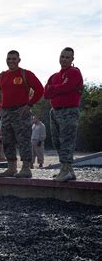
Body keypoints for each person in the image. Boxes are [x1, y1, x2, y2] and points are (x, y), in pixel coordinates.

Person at [0, 50, 44, 178]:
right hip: (6, 113)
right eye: (9, 59)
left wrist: (29, 104)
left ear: (19, 60)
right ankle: (11, 168)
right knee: (7, 141)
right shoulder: (2, 76)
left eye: (14, 59)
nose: (11, 61)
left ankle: (26, 168)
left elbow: (40, 89)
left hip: (21, 112)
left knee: (24, 140)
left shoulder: (25, 74)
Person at [44, 47, 83, 181]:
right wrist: (57, 89)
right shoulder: (54, 76)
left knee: (67, 141)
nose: (64, 59)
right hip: (55, 111)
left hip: (69, 111)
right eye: (62, 56)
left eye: (67, 57)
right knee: (57, 142)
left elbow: (67, 87)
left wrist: (54, 89)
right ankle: (68, 171)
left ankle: (65, 170)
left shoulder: (74, 72)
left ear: (72, 59)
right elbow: (46, 94)